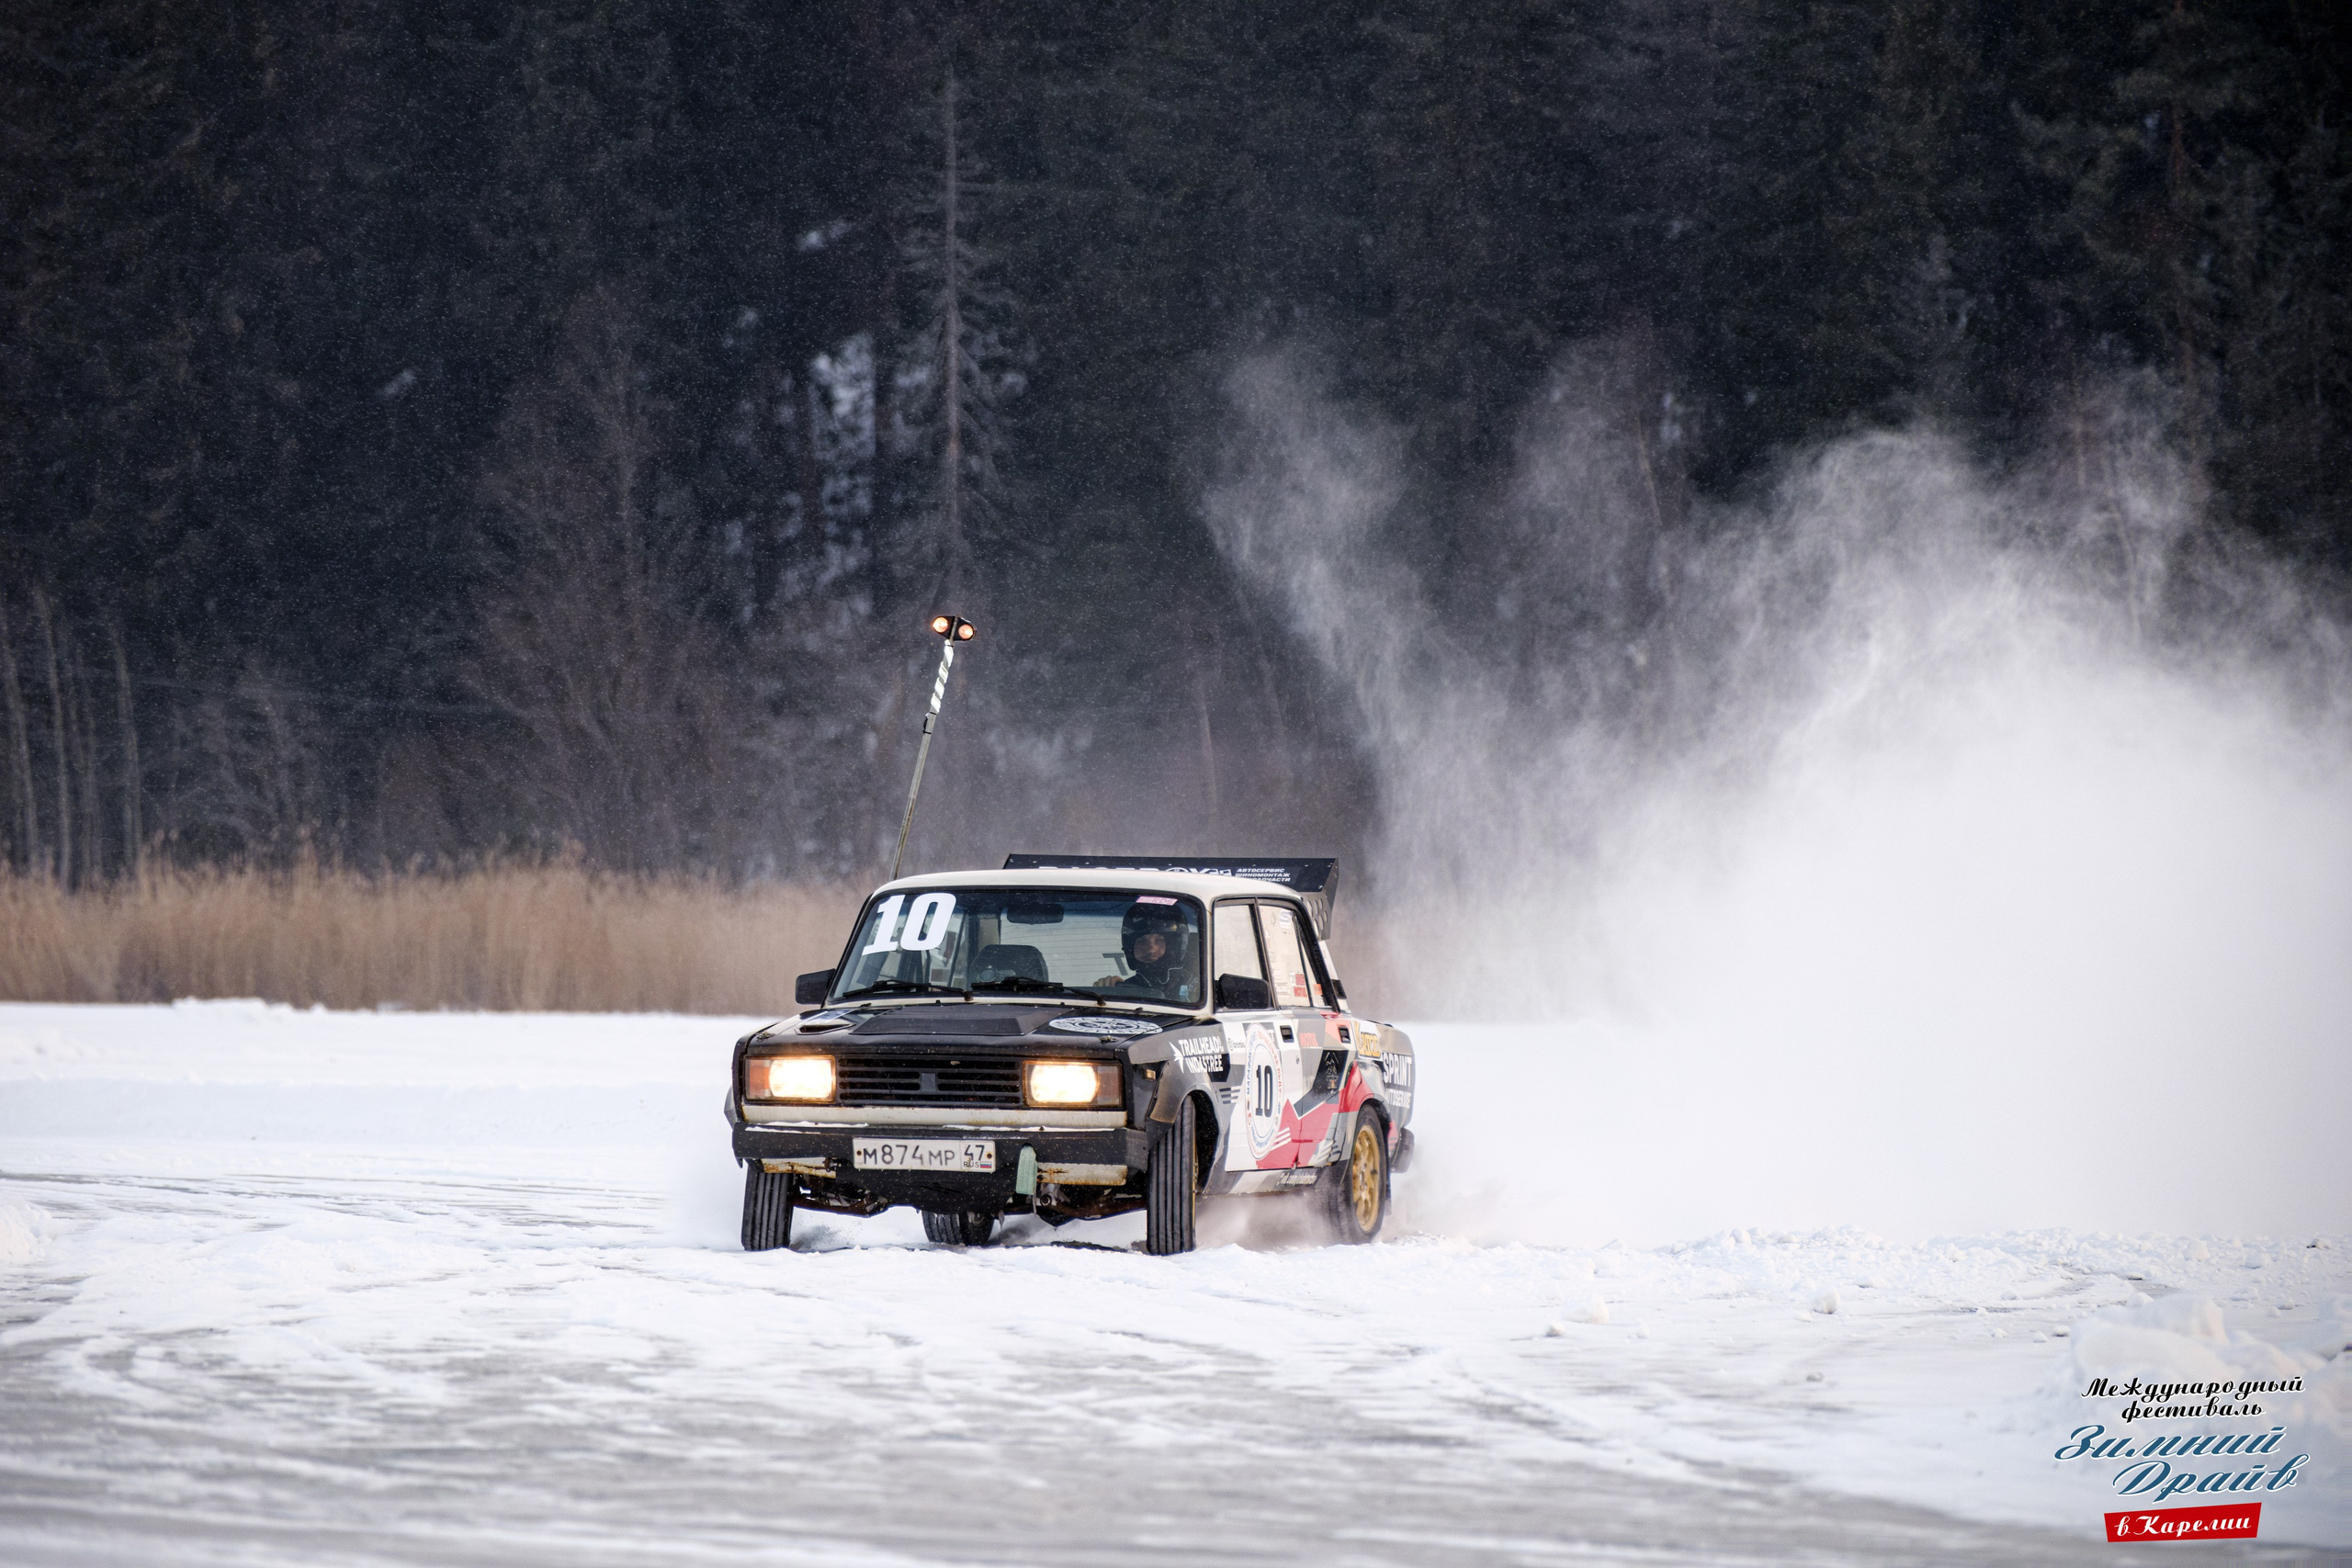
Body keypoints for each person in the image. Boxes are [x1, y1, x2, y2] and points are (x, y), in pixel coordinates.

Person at [1095, 902, 1193, 998]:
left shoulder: (1198, 989)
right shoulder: (1124, 989)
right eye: (1142, 940)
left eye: (1160, 940)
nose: (1151, 950)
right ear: (1130, 948)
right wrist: (1112, 992)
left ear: (1176, 946)